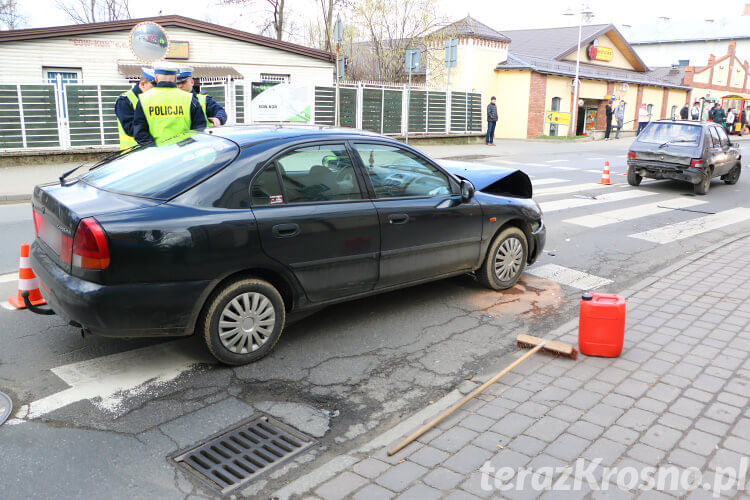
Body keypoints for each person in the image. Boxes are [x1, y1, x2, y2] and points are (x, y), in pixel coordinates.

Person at [132, 62, 206, 146]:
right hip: (184, 152)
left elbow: (140, 133)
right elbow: (199, 130)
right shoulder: (189, 99)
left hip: (158, 155)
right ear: (175, 79)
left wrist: (154, 148)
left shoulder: (143, 99)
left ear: (156, 78)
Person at [114, 67, 154, 150]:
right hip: (132, 154)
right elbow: (131, 129)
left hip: (151, 151)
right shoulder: (125, 100)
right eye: (154, 86)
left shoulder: (153, 99)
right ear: (143, 84)